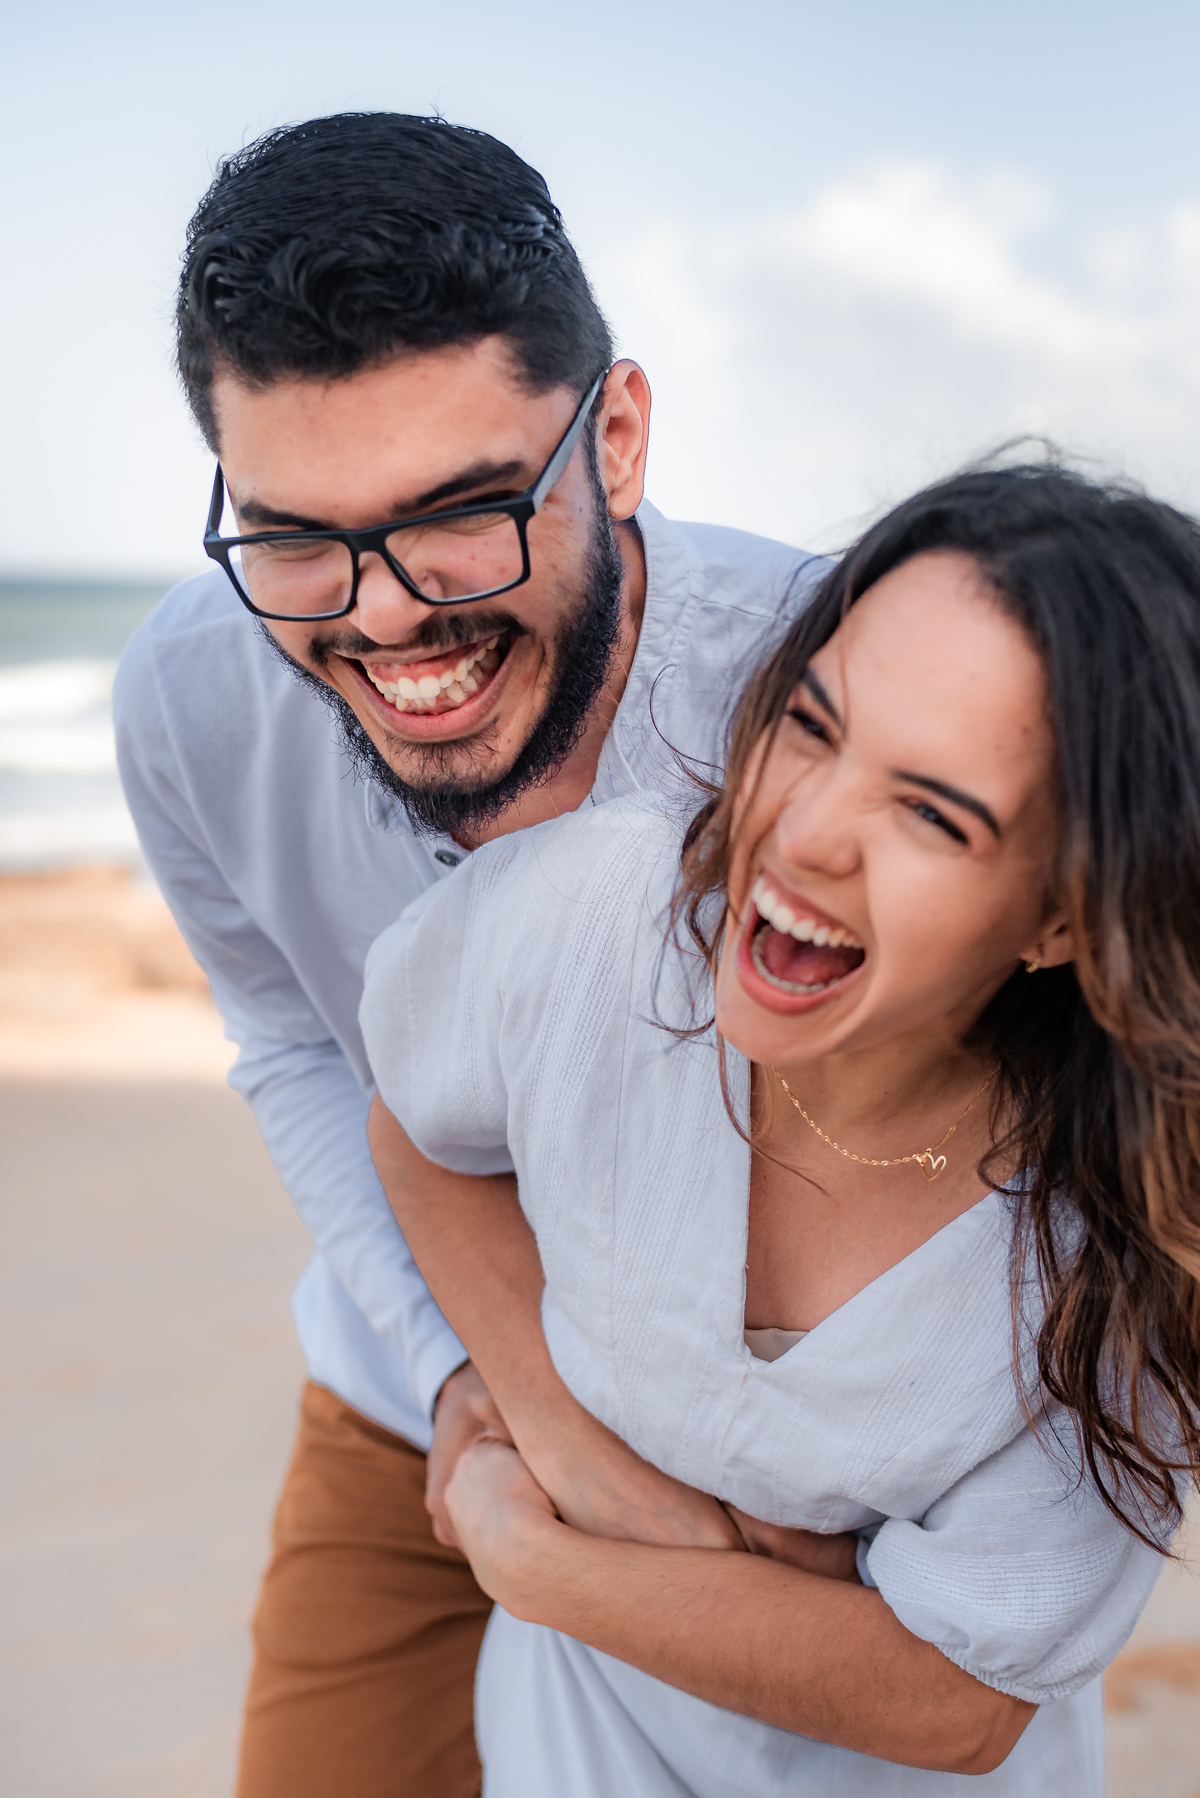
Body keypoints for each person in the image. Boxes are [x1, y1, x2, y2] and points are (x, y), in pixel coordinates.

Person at [113, 111, 827, 1797]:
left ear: (621, 435)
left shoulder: (827, 694)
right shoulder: (188, 697)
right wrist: (451, 1380)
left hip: (774, 1454)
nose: (380, 614)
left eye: (462, 512)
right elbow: (293, 1042)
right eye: (293, 534)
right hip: (405, 1416)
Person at [361, 461, 1200, 1795]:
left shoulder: (1125, 1230)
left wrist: (532, 1554)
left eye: (931, 813)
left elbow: (956, 1700)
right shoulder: (600, 914)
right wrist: (569, 1445)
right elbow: (414, 1127)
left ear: (1062, 917)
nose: (802, 836)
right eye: (811, 726)